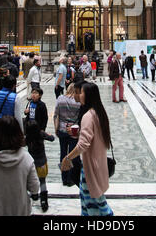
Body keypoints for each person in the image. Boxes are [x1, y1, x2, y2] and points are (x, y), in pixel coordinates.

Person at [61, 82, 113, 216]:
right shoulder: (99, 112)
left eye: (81, 92)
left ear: (88, 96)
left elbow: (83, 144)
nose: (79, 95)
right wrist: (79, 132)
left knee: (97, 203)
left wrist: (67, 158)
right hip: (98, 163)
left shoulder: (88, 116)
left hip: (90, 167)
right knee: (88, 202)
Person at [54, 83, 81, 187]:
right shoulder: (78, 102)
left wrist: (56, 129)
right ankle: (71, 178)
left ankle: (64, 178)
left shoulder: (60, 98)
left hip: (62, 129)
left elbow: (56, 115)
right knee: (72, 154)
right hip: (74, 131)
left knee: (63, 153)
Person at [25, 119, 55, 212]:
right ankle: (44, 201)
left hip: (31, 163)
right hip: (42, 161)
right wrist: (49, 135)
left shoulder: (28, 137)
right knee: (42, 181)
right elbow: (52, 138)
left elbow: (20, 144)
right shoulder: (41, 134)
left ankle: (34, 194)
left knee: (30, 180)